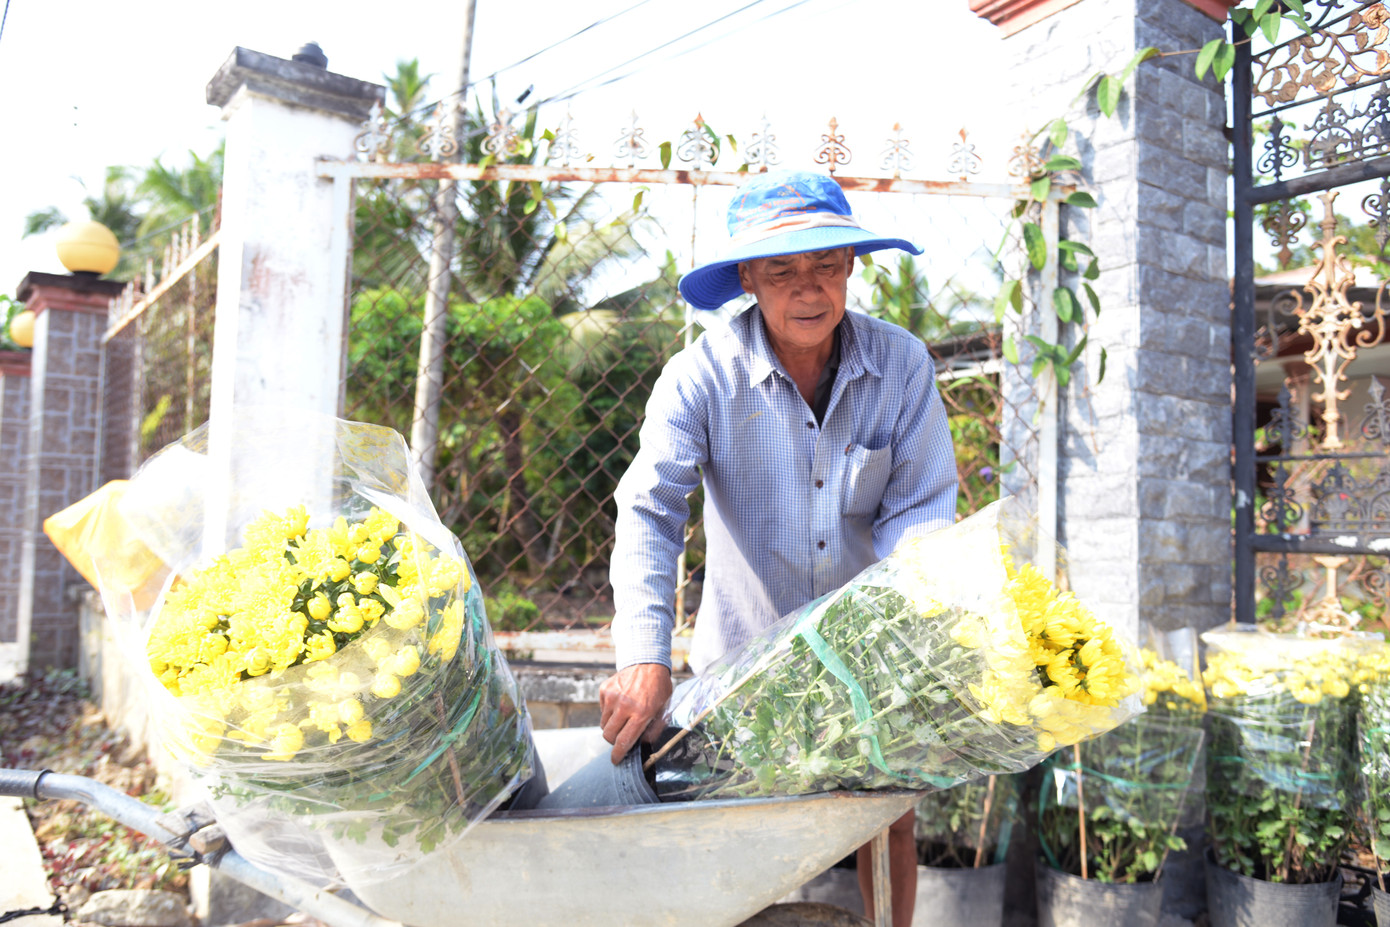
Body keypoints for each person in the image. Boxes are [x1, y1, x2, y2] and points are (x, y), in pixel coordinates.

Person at [599, 169, 957, 927]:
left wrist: (909, 640)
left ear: (852, 267)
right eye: (783, 270)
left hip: (870, 658)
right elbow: (649, 508)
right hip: (742, 659)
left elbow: (919, 510)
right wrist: (643, 653)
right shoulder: (700, 377)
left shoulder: (902, 366)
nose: (809, 290)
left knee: (888, 815)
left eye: (827, 264)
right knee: (734, 827)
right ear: (749, 281)